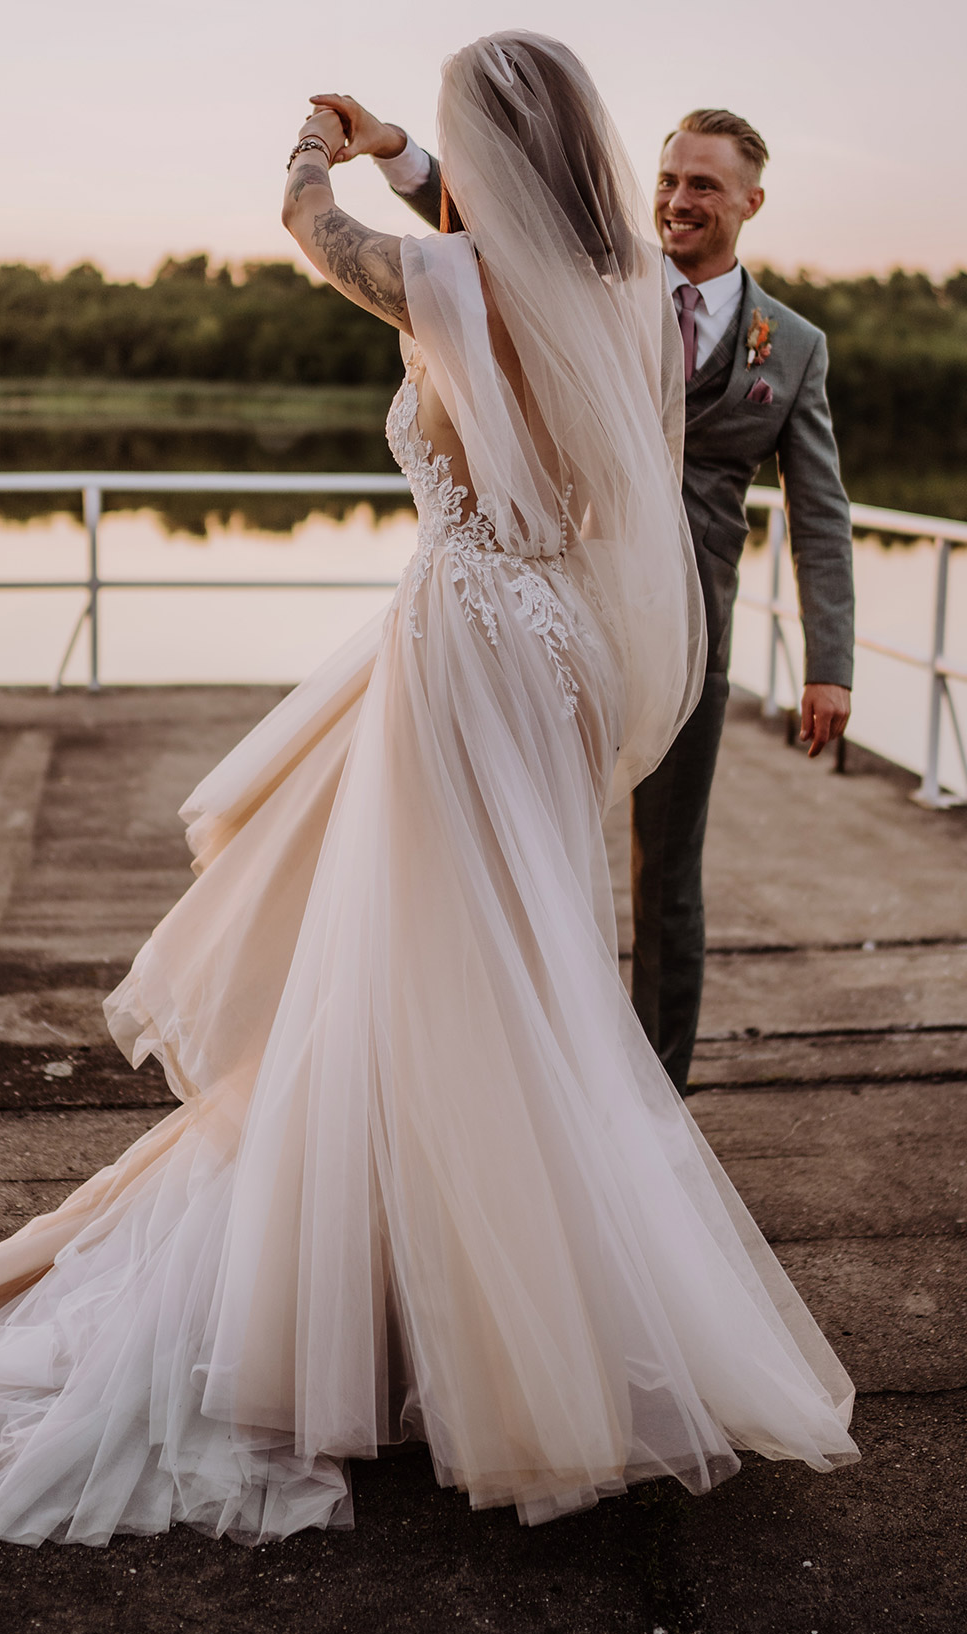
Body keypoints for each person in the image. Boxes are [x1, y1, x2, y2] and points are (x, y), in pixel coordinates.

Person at [0, 33, 858, 1549]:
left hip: (462, 645)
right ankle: (531, 1299)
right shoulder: (634, 297)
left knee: (414, 953)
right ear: (593, 160)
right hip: (566, 649)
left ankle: (382, 1292)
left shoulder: (444, 283)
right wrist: (409, 153)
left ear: (489, 157)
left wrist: (321, 153)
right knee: (529, 956)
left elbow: (311, 234)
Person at [319, 93, 855, 1096]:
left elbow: (820, 513)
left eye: (702, 184)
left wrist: (831, 668)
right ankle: (517, 1085)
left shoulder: (797, 347)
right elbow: (494, 220)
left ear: (750, 200)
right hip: (555, 616)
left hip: (684, 642)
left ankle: (656, 1103)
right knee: (524, 853)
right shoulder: (600, 287)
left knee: (667, 877)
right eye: (666, 179)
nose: (677, 199)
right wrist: (394, 150)